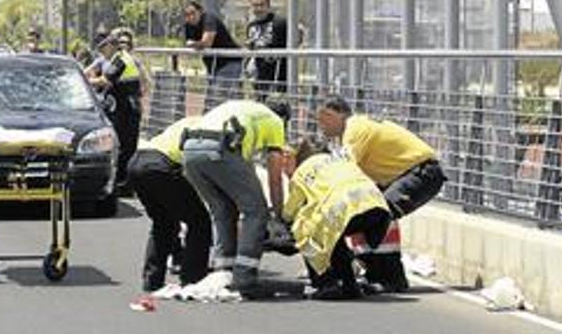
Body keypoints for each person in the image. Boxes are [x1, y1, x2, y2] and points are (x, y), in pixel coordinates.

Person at [317, 94, 447, 290]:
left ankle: (390, 278)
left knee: (377, 215)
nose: (321, 125)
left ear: (340, 114)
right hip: (410, 175)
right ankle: (376, 274)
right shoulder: (352, 131)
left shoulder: (354, 129)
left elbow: (345, 171)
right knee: (368, 212)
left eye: (325, 117)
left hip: (421, 173)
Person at [180, 95, 292, 298]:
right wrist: (277, 216)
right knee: (256, 211)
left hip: (190, 150)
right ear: (284, 118)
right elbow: (275, 178)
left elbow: (241, 171)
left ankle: (223, 272)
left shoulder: (243, 109)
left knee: (223, 210)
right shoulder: (275, 121)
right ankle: (245, 278)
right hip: (221, 149)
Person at [281, 138, 392, 300]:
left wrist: (282, 221)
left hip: (344, 208)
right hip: (378, 206)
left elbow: (290, 211)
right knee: (333, 235)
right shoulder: (339, 160)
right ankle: (350, 286)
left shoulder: (301, 173)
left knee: (305, 230)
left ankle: (326, 283)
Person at [128, 116, 211, 293]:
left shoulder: (190, 121)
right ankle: (193, 278)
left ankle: (152, 280)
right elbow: (196, 169)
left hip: (136, 162)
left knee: (164, 223)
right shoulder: (210, 129)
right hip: (160, 166)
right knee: (199, 221)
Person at [88, 34, 142, 193]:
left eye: (102, 48)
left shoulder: (121, 60)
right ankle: (122, 182)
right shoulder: (116, 59)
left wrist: (86, 81)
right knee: (122, 145)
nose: (100, 52)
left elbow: (105, 81)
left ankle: (126, 184)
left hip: (128, 110)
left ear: (111, 45)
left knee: (126, 146)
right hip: (123, 108)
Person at [183, 0, 243, 111]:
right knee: (222, 99)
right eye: (187, 15)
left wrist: (194, 44)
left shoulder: (209, 19)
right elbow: (188, 44)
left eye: (193, 13)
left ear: (200, 12)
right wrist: (194, 44)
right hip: (213, 66)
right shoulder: (188, 26)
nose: (190, 17)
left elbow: (207, 43)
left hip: (229, 62)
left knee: (216, 100)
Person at [245, 0, 287, 99]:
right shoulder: (251, 25)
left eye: (261, 5)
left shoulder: (280, 22)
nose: (258, 9)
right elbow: (251, 47)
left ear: (268, 6)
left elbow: (297, 38)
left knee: (279, 106)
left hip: (280, 77)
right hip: (260, 77)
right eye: (255, 5)